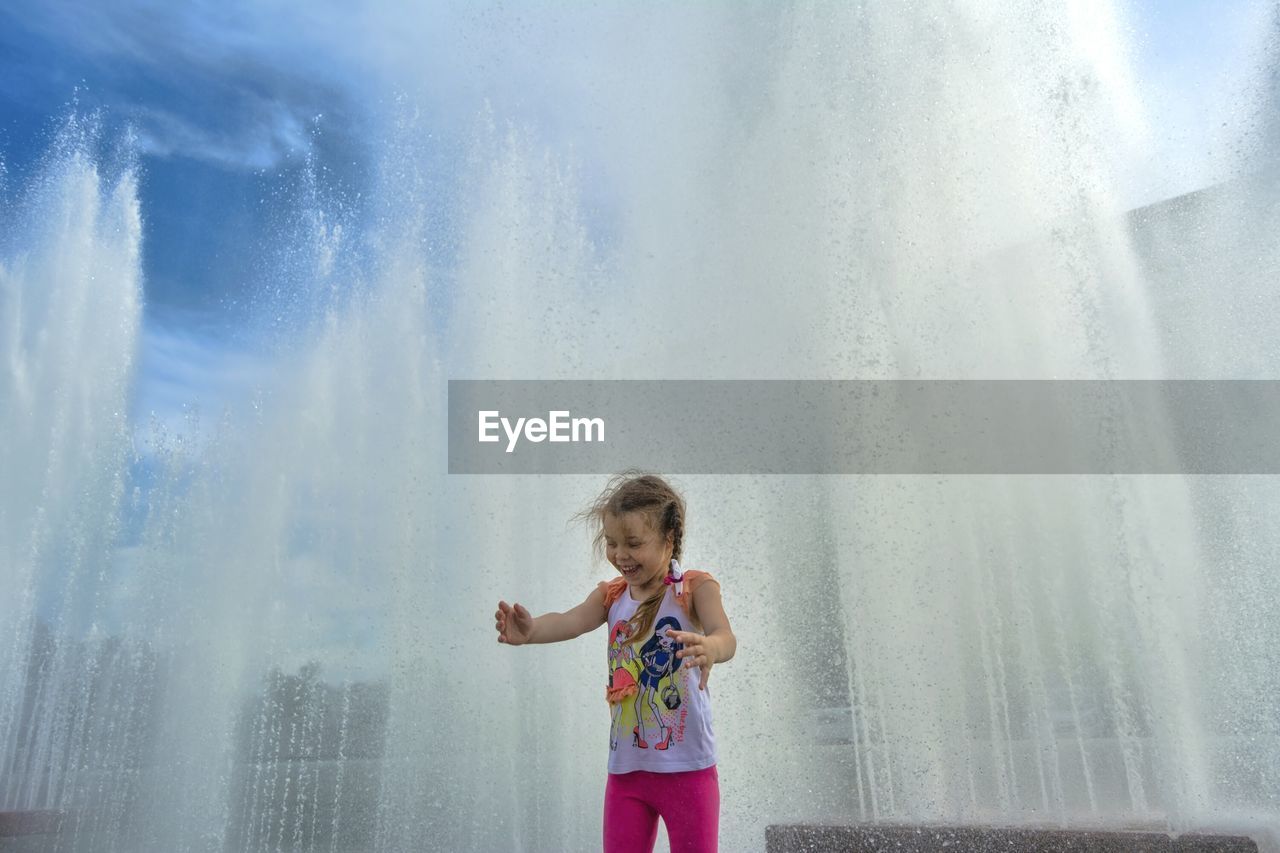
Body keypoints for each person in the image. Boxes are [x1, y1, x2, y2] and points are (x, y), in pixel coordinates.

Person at [493, 470, 736, 853]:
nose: (620, 555)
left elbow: (725, 636)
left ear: (668, 540)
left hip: (688, 770)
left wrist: (711, 648)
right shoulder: (612, 595)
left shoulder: (693, 589)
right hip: (626, 771)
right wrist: (532, 631)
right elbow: (571, 622)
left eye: (633, 543)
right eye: (611, 543)